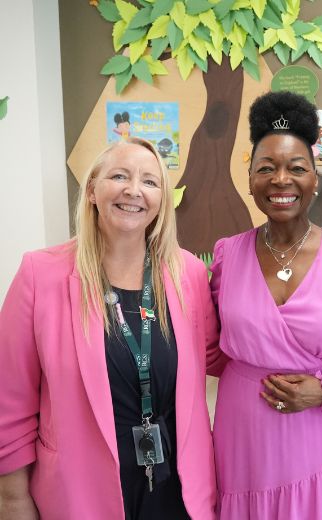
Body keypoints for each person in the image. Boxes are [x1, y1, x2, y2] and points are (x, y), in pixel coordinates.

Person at [0, 137, 219, 519]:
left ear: (161, 202)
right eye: (120, 176)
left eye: (150, 182)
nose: (134, 190)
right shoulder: (41, 274)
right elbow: (10, 401)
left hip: (176, 492)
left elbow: (221, 355)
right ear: (91, 190)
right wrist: (13, 501)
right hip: (79, 493)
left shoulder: (189, 275)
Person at [208, 91, 322, 519]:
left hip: (319, 429)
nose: (281, 179)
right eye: (266, 168)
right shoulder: (227, 256)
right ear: (250, 179)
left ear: (315, 179)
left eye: (296, 168)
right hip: (244, 438)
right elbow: (208, 346)